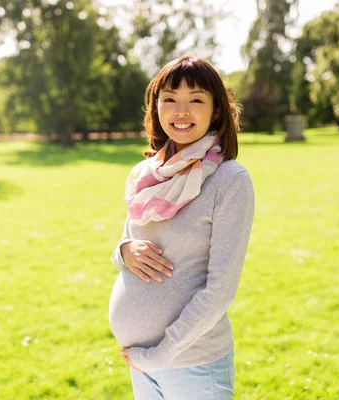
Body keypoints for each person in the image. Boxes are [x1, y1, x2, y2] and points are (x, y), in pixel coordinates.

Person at [109, 55, 255, 399]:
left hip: (193, 365)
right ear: (156, 107)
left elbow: (221, 290)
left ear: (216, 110)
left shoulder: (230, 181)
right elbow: (127, 243)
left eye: (196, 100)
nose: (181, 111)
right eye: (170, 99)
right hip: (144, 365)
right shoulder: (147, 174)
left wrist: (159, 356)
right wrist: (123, 252)